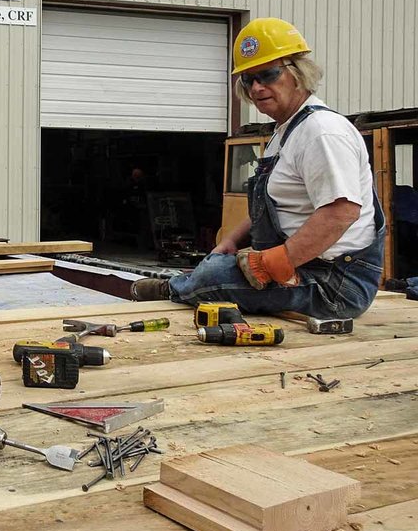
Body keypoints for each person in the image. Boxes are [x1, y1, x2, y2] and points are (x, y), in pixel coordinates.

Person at [130, 18, 385, 320]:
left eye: (268, 74)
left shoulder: (322, 132)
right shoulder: (285, 132)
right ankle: (189, 284)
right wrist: (231, 241)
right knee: (215, 264)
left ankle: (174, 290)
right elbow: (273, 206)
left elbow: (341, 212)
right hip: (306, 266)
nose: (257, 87)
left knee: (214, 275)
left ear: (297, 73)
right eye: (248, 80)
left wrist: (275, 263)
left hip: (335, 284)